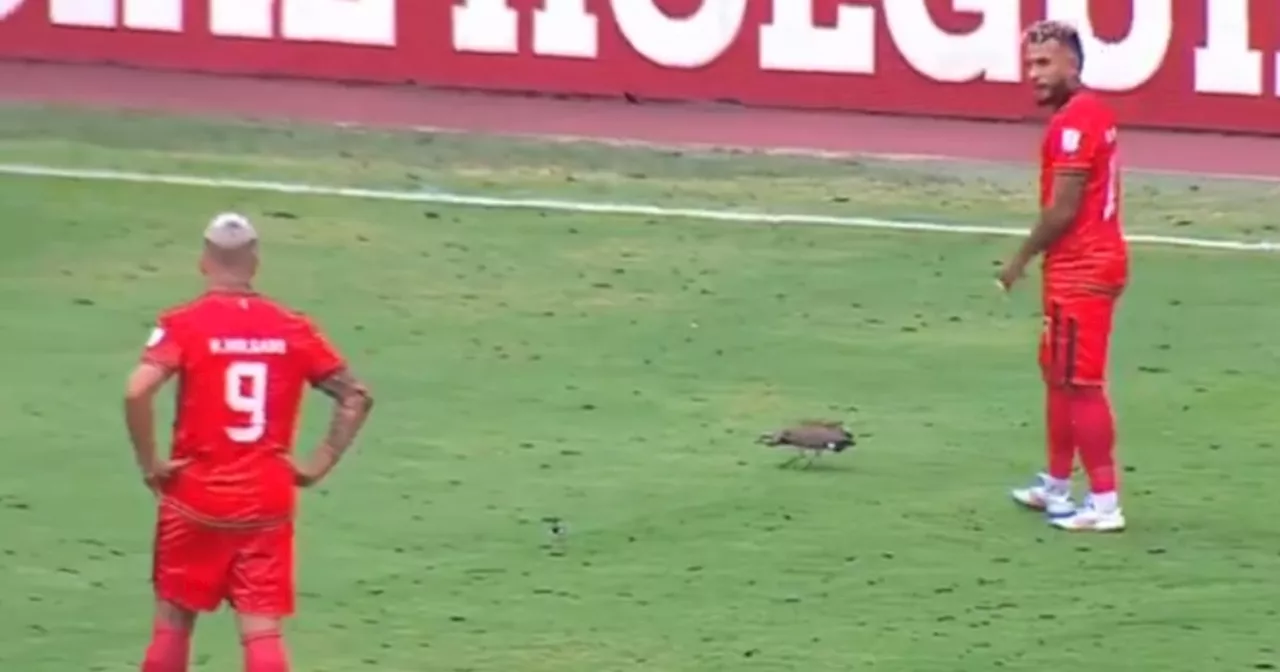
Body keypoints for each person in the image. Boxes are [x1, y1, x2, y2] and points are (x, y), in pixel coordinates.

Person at [123, 213, 375, 671]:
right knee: (262, 630)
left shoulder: (184, 323)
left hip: (194, 496)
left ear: (204, 261)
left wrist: (150, 462)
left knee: (174, 620)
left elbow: (137, 389)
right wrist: (319, 462)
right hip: (265, 500)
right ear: (254, 262)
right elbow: (355, 396)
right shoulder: (292, 327)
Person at [999, 21, 1127, 532]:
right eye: (1030, 64)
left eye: (1045, 63)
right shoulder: (1081, 116)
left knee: (1081, 382)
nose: (1034, 74)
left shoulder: (1077, 123)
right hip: (1077, 267)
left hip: (1084, 269)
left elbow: (1063, 210)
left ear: (1073, 63)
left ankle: (1104, 502)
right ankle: (1056, 485)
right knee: (1057, 374)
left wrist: (1019, 259)